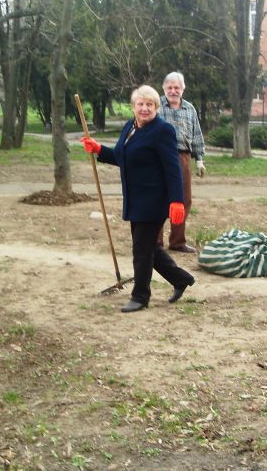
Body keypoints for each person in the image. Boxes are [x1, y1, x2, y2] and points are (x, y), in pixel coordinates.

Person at [80, 85, 195, 313]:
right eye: (140, 104)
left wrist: (177, 200)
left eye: (150, 104)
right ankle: (181, 279)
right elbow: (122, 157)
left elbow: (173, 168)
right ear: (133, 107)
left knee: (142, 250)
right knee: (148, 247)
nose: (144, 109)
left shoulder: (162, 131)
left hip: (154, 200)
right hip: (135, 198)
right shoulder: (129, 127)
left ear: (156, 107)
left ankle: (140, 296)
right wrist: (99, 149)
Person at [156, 72, 206, 253]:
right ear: (163, 88)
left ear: (183, 89)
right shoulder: (156, 106)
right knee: (159, 199)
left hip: (183, 157)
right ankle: (156, 242)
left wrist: (199, 160)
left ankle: (177, 242)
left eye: (177, 87)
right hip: (159, 156)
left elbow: (196, 136)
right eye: (169, 87)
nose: (173, 91)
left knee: (183, 199)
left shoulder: (190, 109)